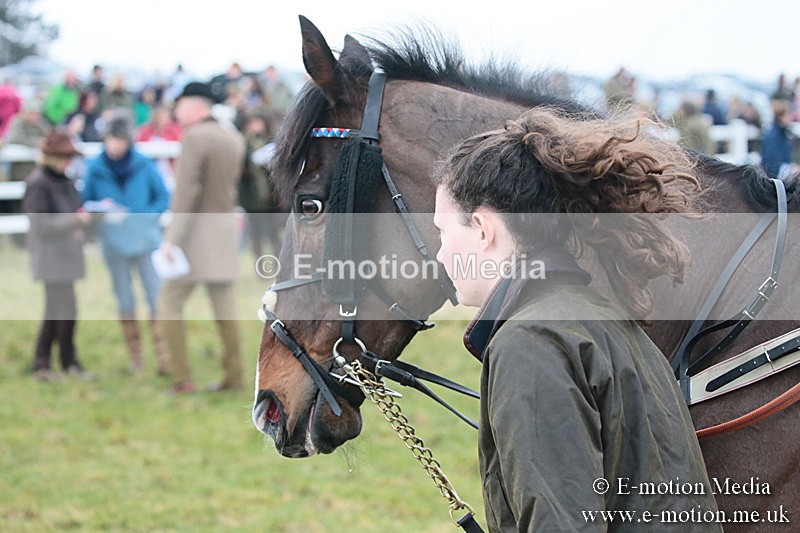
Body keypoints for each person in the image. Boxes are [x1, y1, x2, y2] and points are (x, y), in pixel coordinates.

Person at [432, 108, 719, 531]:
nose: (439, 254)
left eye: (442, 232)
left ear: (481, 229)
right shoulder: (601, 319)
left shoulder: (530, 341)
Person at [157, 81, 246, 393]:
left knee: (168, 303)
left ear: (196, 105)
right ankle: (234, 376)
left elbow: (186, 193)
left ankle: (181, 378)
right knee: (225, 309)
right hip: (224, 232)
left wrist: (172, 239)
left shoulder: (195, 137)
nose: (176, 111)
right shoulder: (231, 136)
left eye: (180, 104)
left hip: (195, 236)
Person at [82, 111, 171, 374]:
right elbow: (86, 201)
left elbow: (162, 196)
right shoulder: (94, 168)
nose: (115, 145)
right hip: (113, 243)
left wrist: (146, 219)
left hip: (145, 240)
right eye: (111, 139)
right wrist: (100, 213)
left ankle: (164, 356)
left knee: (155, 297)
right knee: (124, 299)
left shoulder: (144, 164)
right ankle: (136, 358)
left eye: (119, 140)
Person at [22, 130, 94, 381]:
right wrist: (73, 222)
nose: (69, 161)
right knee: (63, 311)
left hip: (66, 256)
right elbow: (40, 226)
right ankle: (61, 361)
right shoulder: (38, 183)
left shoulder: (65, 181)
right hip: (51, 259)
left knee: (59, 311)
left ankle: (48, 362)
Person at [5, 100, 50, 181]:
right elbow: (16, 138)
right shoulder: (17, 122)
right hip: (19, 169)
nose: (35, 117)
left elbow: (49, 136)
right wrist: (37, 142)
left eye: (36, 114)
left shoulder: (39, 123)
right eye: (32, 113)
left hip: (36, 168)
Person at [761, 100, 798, 179]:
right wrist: (790, 169)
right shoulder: (773, 136)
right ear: (781, 117)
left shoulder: (783, 134)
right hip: (776, 179)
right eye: (788, 115)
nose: (790, 118)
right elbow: (772, 165)